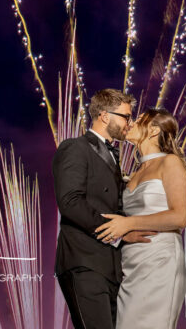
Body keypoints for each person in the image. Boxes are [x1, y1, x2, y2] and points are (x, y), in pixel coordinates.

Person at [52, 88, 156, 329]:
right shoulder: (74, 147)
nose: (129, 124)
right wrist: (120, 232)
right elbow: (70, 202)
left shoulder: (113, 156)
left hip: (111, 267)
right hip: (84, 261)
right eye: (126, 117)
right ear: (104, 116)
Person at [95, 107, 186, 329]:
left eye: (139, 119)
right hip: (129, 265)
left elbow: (180, 216)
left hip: (159, 261)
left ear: (153, 130)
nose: (130, 122)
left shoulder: (170, 162)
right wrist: (125, 234)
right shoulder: (134, 172)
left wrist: (128, 223)